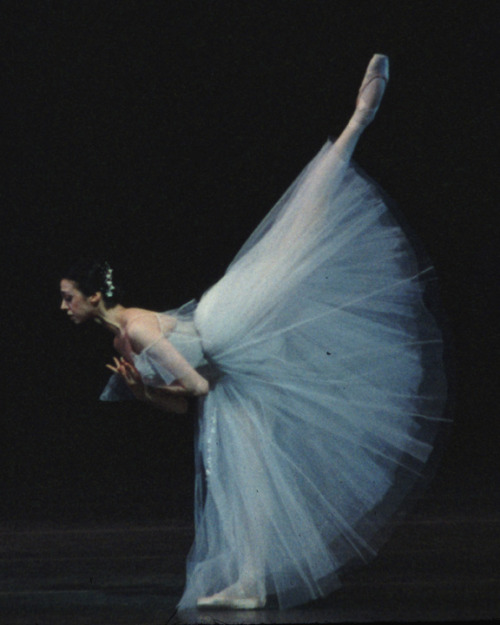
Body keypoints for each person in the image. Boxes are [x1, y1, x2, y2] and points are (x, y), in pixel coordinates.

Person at [60, 55, 448, 610]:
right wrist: (143, 393)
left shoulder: (139, 331)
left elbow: (194, 389)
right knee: (242, 482)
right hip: (232, 377)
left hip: (230, 329)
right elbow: (183, 405)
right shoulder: (121, 340)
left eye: (68, 297)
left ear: (95, 297)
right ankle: (248, 581)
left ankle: (358, 119)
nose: (63, 306)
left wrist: (141, 388)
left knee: (296, 237)